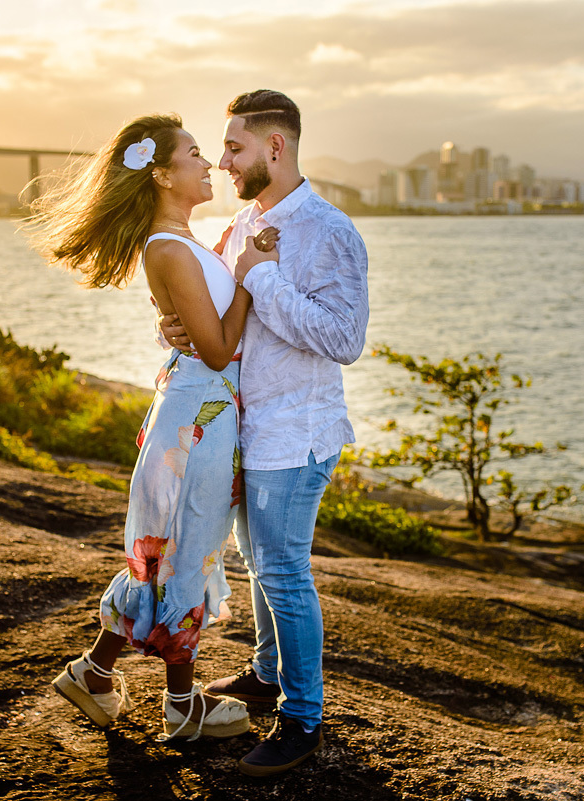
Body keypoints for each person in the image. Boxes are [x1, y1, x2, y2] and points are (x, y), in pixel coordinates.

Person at [29, 113, 279, 741]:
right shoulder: (168, 247)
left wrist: (230, 271)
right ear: (164, 173)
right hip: (197, 420)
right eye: (196, 154)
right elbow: (220, 350)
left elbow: (200, 329)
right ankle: (180, 705)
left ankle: (94, 674)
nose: (209, 164)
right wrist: (248, 278)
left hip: (197, 411)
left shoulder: (184, 242)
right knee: (184, 548)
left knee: (171, 548)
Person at [161, 90, 370, 776]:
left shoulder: (330, 230)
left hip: (295, 433)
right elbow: (224, 318)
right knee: (258, 562)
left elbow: (344, 339)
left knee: (283, 570)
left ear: (275, 147)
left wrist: (266, 277)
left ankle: (302, 718)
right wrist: (176, 327)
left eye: (235, 148)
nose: (222, 162)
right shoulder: (237, 225)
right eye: (219, 150)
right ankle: (265, 672)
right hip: (247, 429)